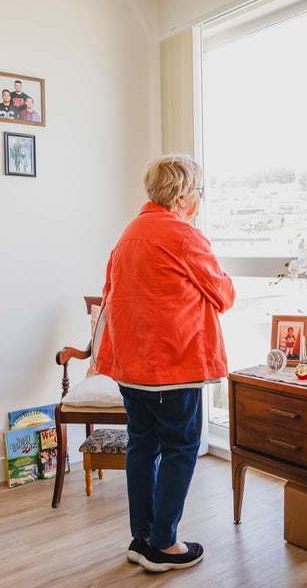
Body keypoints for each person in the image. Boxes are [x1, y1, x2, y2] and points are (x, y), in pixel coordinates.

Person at [95, 154, 235, 573]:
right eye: (198, 191)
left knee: (142, 447)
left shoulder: (128, 234)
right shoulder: (183, 235)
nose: (200, 199)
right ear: (180, 195)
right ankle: (165, 543)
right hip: (174, 365)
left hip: (132, 366)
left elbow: (110, 294)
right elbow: (223, 294)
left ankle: (141, 538)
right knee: (181, 449)